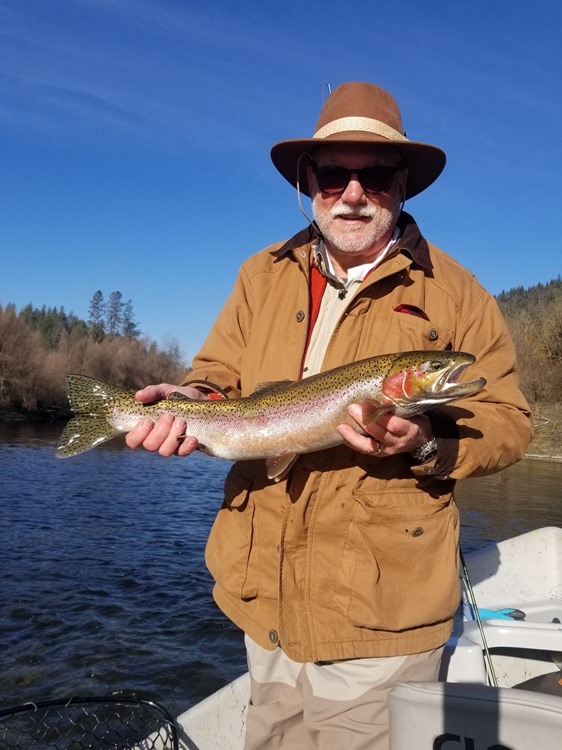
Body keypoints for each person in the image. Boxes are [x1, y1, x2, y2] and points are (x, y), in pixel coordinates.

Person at [126, 82, 532, 750]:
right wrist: (191, 403)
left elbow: (510, 420)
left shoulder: (458, 293)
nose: (352, 193)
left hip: (379, 614)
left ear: (401, 185)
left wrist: (427, 442)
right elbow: (216, 376)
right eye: (333, 174)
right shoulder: (261, 274)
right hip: (265, 606)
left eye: (374, 175)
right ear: (307, 180)